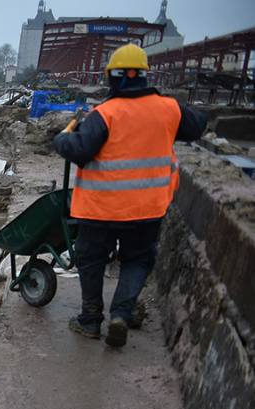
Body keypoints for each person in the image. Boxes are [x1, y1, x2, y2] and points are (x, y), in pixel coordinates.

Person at [52, 43, 206, 347]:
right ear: (144, 76)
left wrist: (62, 139)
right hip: (147, 208)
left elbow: (80, 150)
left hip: (100, 208)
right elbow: (198, 124)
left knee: (91, 260)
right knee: (137, 260)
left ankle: (90, 320)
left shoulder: (105, 113)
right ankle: (121, 314)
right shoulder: (169, 109)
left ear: (113, 77)